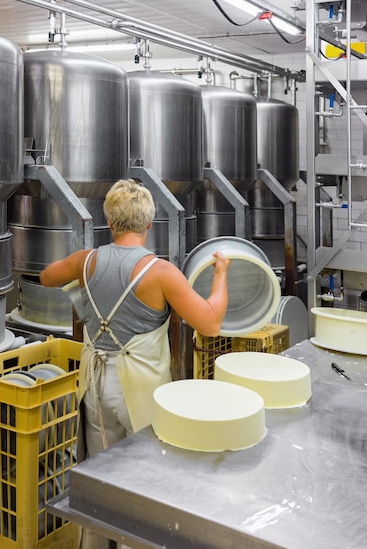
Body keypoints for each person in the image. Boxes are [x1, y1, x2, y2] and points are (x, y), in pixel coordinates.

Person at [40, 178, 230, 547]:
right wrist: (221, 275)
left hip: (94, 388)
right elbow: (210, 323)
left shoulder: (86, 261)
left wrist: (85, 287)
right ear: (148, 224)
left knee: (101, 479)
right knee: (143, 485)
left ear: (109, 222)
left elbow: (48, 277)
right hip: (140, 394)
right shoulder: (159, 272)